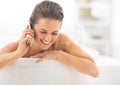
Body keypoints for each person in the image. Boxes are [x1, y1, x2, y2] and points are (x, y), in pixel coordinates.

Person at [0, 0, 99, 77]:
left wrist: (57, 55)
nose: (48, 38)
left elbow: (94, 71)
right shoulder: (17, 46)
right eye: (43, 32)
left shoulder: (62, 41)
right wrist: (18, 53)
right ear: (31, 25)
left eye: (54, 33)